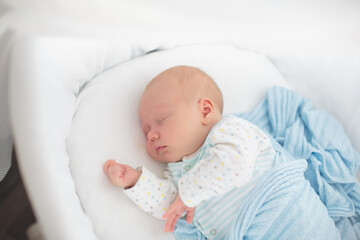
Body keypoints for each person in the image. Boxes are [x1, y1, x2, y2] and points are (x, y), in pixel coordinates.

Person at [103, 65, 275, 239]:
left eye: (161, 120)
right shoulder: (178, 171)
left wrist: (188, 194)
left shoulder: (230, 129)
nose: (151, 136)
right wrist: (135, 181)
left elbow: (236, 166)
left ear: (205, 111)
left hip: (278, 211)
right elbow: (172, 207)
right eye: (146, 132)